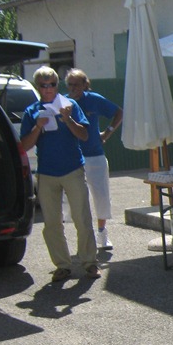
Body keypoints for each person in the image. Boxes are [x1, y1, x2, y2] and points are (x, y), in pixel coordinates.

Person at [20, 67, 99, 282]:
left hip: (73, 169)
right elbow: (24, 146)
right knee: (52, 223)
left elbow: (84, 135)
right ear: (38, 87)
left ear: (57, 85)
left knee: (82, 218)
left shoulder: (69, 105)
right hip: (47, 173)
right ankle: (62, 265)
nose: (48, 89)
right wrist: (38, 127)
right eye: (44, 85)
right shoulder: (32, 111)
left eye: (52, 84)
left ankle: (90, 262)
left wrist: (68, 119)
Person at [65, 68, 123, 251]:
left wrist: (107, 132)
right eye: (70, 84)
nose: (73, 88)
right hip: (73, 158)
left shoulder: (95, 99)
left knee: (101, 195)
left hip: (95, 155)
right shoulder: (63, 103)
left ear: (85, 84)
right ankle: (83, 236)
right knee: (75, 200)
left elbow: (119, 112)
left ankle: (102, 233)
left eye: (77, 84)